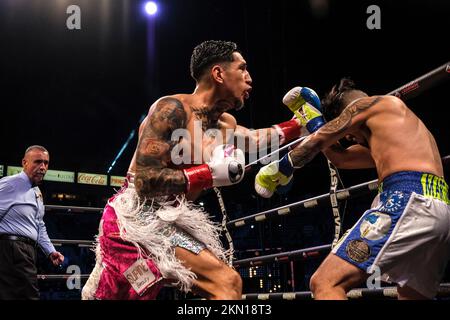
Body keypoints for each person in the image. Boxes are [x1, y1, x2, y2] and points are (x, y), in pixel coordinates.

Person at [82, 40, 306, 300]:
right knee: (226, 283)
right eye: (242, 69)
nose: (249, 78)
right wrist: (208, 174)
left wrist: (300, 123)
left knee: (223, 285)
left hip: (169, 219)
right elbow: (144, 179)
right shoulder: (172, 109)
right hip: (135, 218)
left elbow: (256, 139)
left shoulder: (225, 124)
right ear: (219, 74)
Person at [254, 78, 450, 299]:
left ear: (348, 113)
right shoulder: (400, 133)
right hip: (437, 209)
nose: (348, 137)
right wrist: (312, 118)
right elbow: (341, 158)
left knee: (325, 283)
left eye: (348, 131)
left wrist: (282, 167)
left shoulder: (370, 104)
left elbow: (323, 139)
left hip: (408, 200)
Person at [0, 145, 64, 300]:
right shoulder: (10, 184)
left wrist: (50, 250)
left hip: (27, 251)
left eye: (46, 163)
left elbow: (39, 224)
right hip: (10, 249)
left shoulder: (36, 191)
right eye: (37, 162)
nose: (42, 167)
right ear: (24, 163)